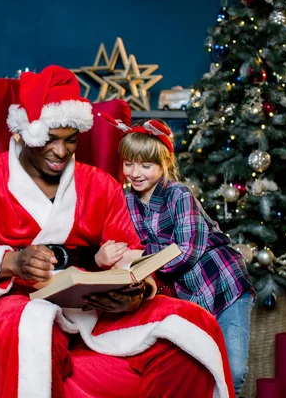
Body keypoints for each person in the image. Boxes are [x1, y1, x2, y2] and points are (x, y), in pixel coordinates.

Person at [0, 65, 236, 398]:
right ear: (23, 133)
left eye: (70, 140)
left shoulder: (98, 184)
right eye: (49, 140)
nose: (60, 152)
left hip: (91, 305)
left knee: (188, 324)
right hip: (13, 303)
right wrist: (11, 262)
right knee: (28, 326)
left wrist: (136, 291)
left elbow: (131, 249)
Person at [108, 116, 255, 397]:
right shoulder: (126, 202)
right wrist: (110, 251)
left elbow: (186, 252)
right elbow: (123, 244)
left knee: (232, 372)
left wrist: (139, 254)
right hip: (190, 297)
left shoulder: (179, 195)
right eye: (129, 164)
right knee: (198, 368)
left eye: (146, 165)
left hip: (225, 287)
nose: (135, 173)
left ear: (164, 164)